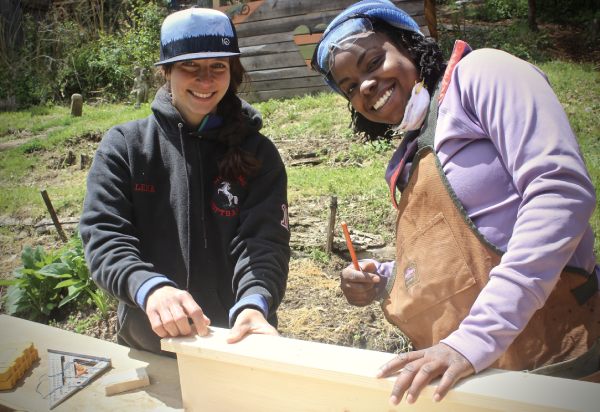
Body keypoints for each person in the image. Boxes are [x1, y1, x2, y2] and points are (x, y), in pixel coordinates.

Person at [312, 0, 599, 405]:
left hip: (553, 360)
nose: (365, 86)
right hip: (474, 376)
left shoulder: (482, 75)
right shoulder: (408, 157)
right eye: (349, 87)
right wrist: (387, 279)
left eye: (373, 61)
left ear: (409, 45)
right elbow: (464, 254)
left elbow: (560, 193)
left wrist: (475, 339)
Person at [80, 7, 290, 354]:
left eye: (217, 67)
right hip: (151, 342)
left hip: (238, 343)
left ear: (232, 71)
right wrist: (149, 287)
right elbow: (105, 236)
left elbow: (264, 242)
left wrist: (254, 302)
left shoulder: (259, 153)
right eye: (190, 66)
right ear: (166, 71)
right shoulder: (126, 148)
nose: (205, 81)